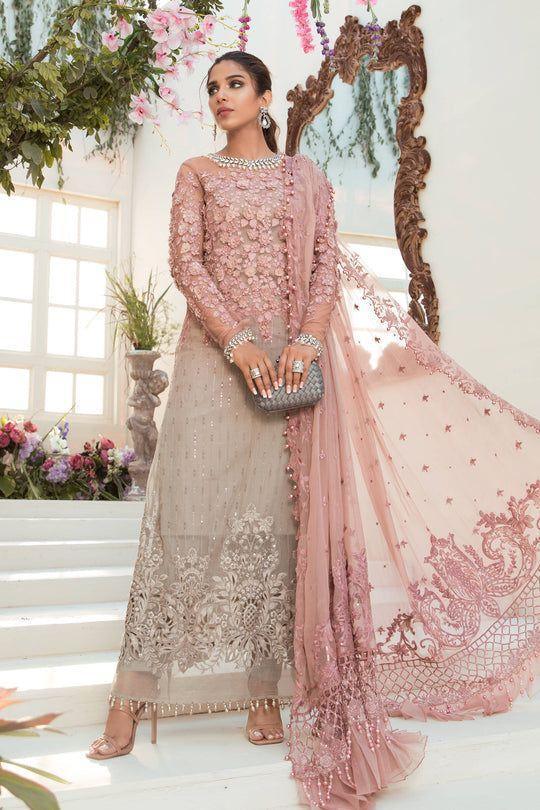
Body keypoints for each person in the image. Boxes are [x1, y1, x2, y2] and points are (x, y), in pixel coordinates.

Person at [87, 50, 540, 809]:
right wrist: (240, 344)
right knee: (181, 521)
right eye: (214, 88)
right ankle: (130, 697)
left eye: (235, 85)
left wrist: (301, 341)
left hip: (292, 374)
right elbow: (185, 264)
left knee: (277, 525)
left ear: (265, 97)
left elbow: (327, 262)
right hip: (215, 363)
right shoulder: (197, 174)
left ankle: (266, 689)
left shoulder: (306, 179)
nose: (221, 97)